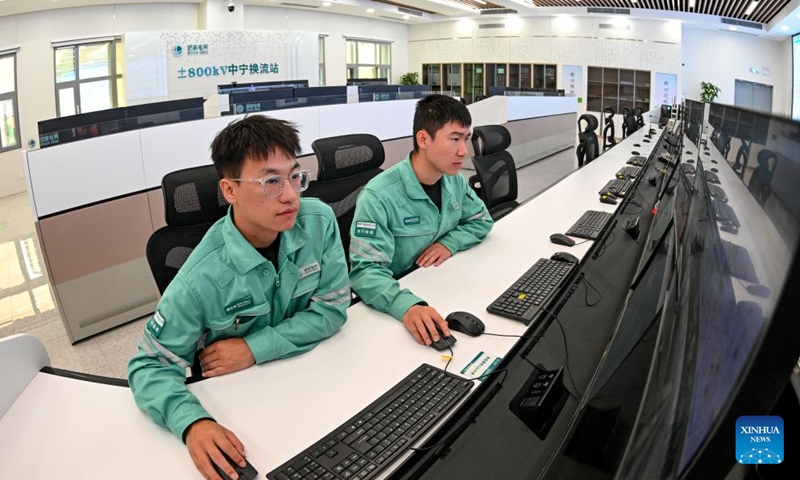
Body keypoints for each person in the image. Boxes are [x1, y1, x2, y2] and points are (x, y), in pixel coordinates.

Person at [128, 115, 350, 480]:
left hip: (312, 382)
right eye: (271, 182)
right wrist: (192, 423)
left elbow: (333, 307)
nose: (292, 194)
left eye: (295, 176)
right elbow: (149, 366)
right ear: (229, 191)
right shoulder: (198, 279)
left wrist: (254, 347)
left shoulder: (319, 221)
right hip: (247, 407)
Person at [349, 94, 493, 346]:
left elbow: (482, 221)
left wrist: (450, 243)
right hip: (394, 302)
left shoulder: (453, 180)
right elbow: (364, 272)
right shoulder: (378, 196)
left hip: (440, 282)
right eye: (455, 139)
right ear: (423, 139)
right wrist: (406, 306)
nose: (464, 151)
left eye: (466, 139)